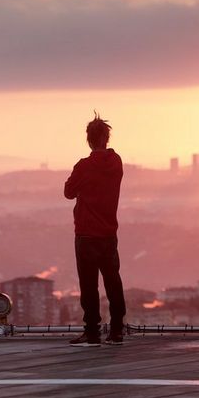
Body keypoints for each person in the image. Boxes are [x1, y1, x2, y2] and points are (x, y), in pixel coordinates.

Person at [64, 112, 126, 347]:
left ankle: (92, 332)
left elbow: (68, 192)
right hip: (109, 233)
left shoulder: (84, 166)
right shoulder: (116, 162)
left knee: (89, 286)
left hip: (86, 234)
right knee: (113, 281)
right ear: (107, 138)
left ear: (89, 139)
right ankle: (117, 330)